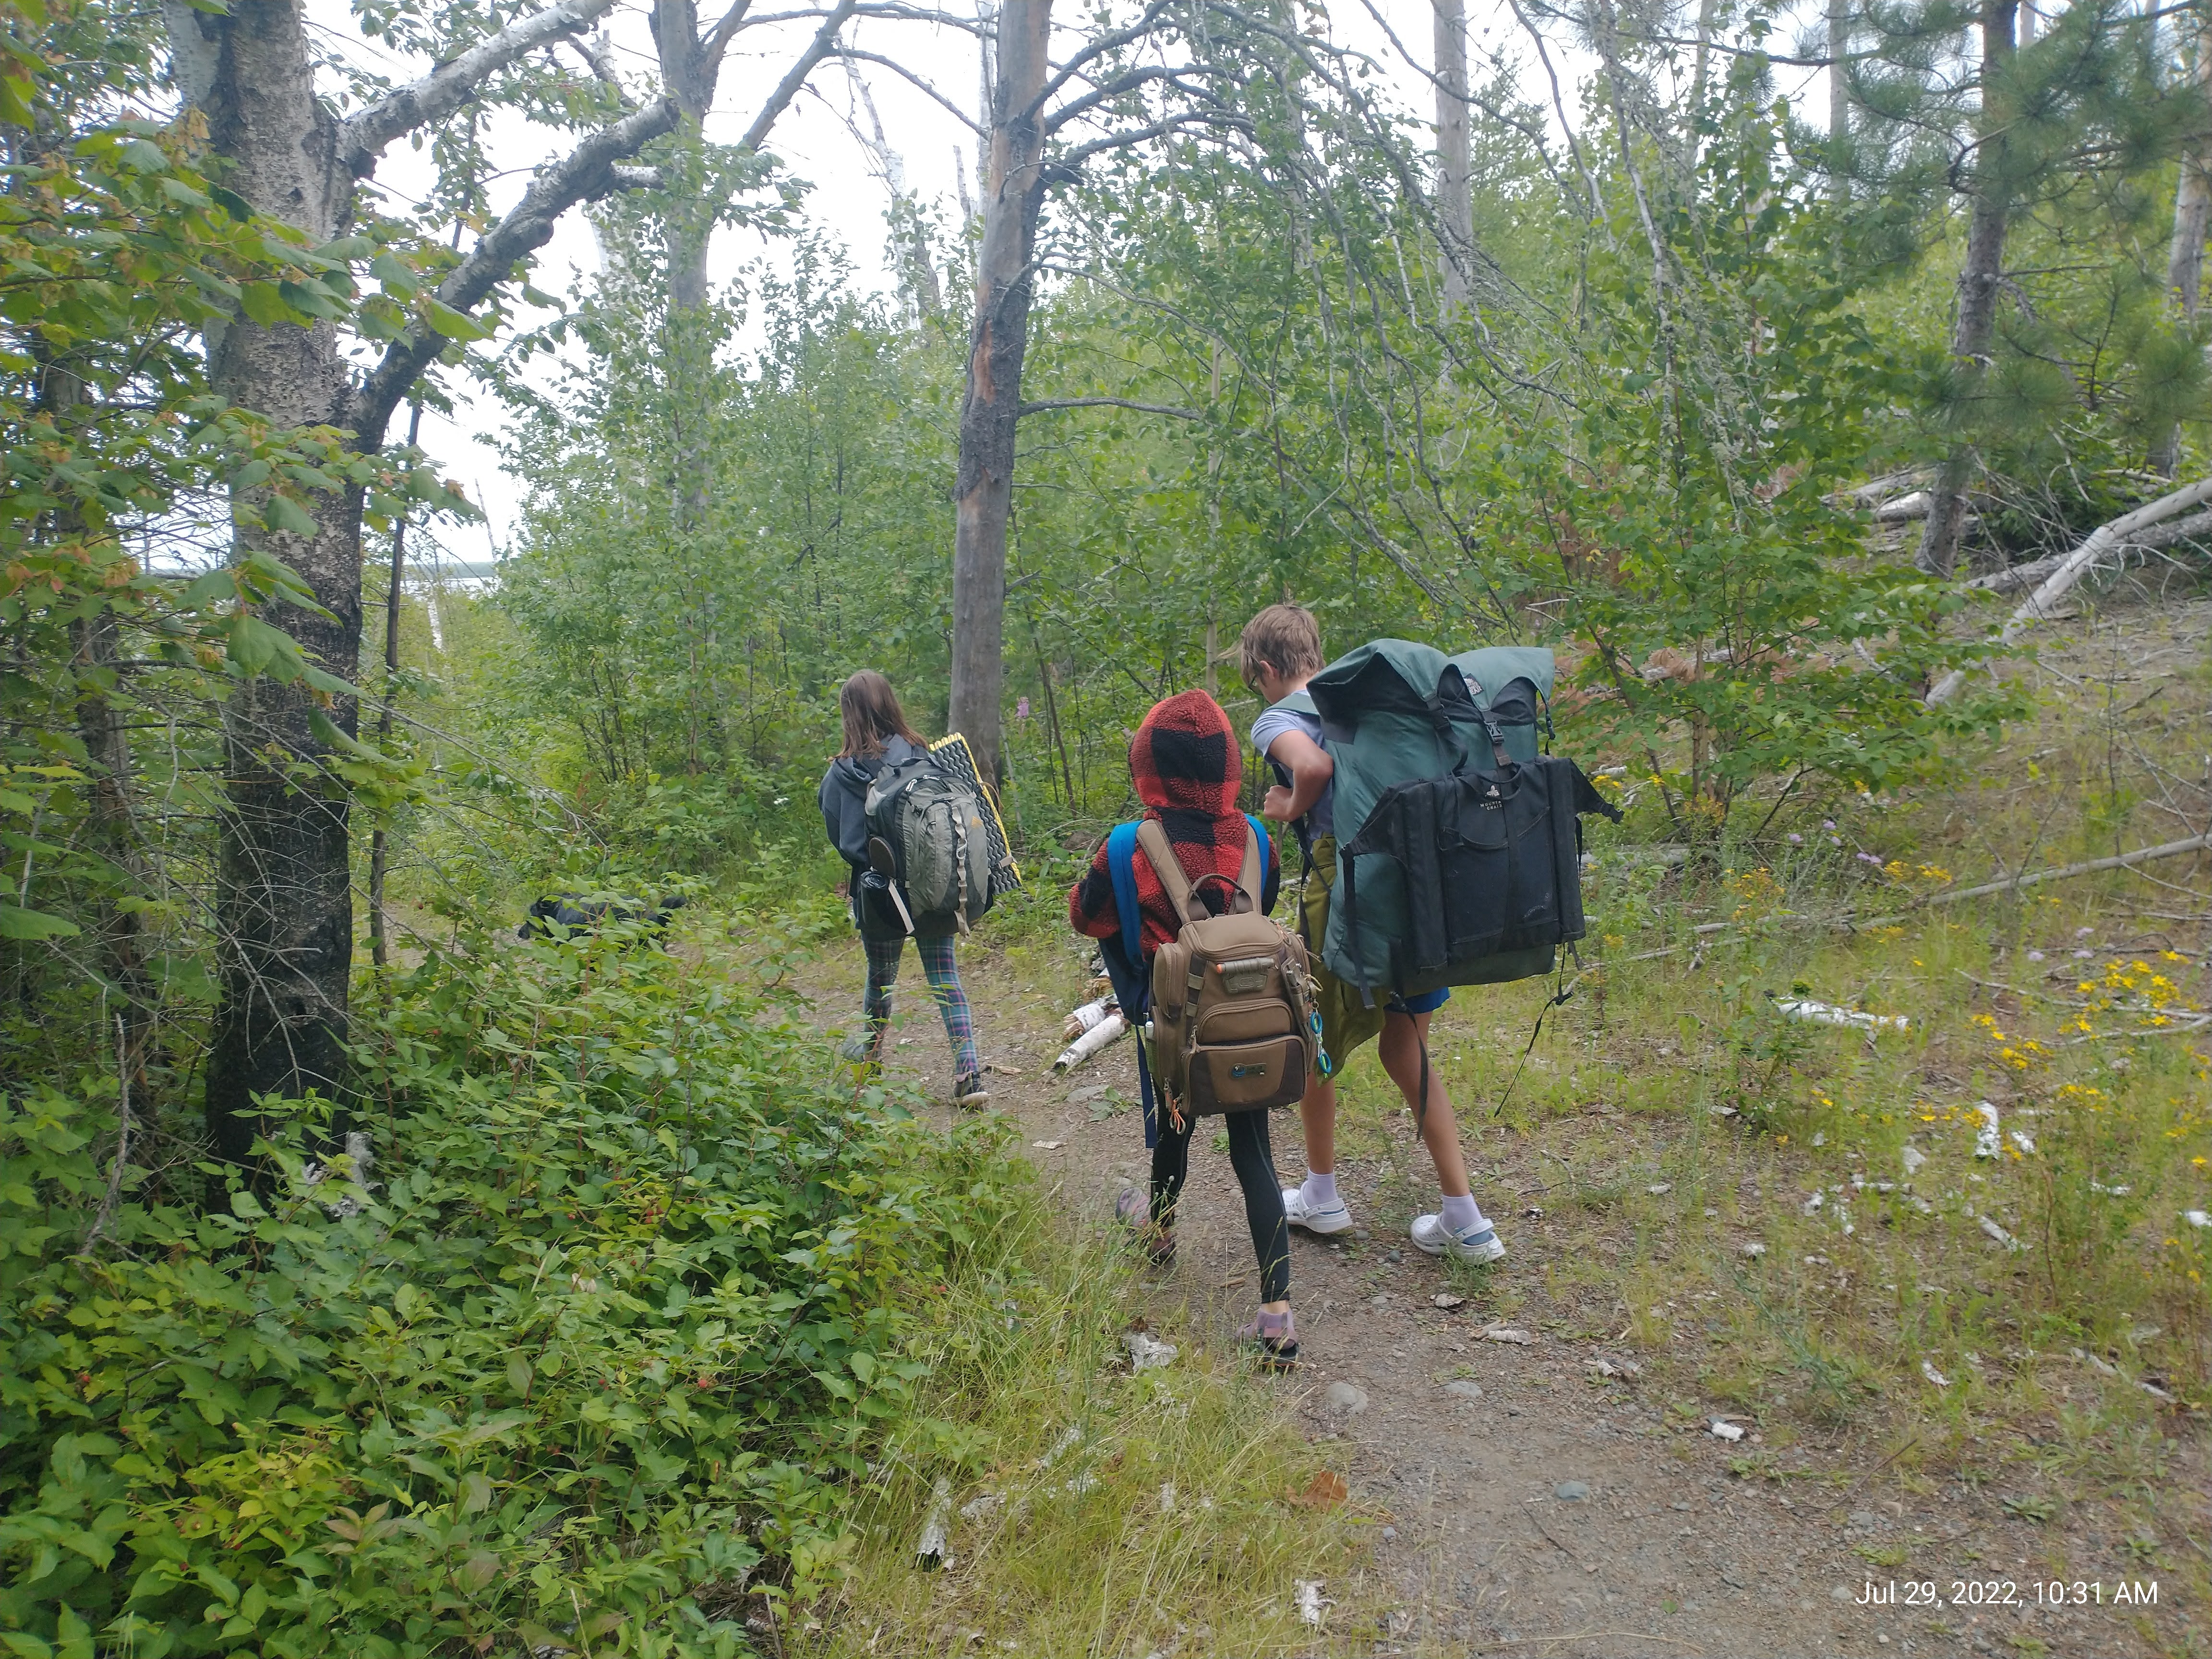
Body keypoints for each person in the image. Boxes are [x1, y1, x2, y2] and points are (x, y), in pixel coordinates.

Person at [1240, 602, 1506, 1265]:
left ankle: (1323, 1194)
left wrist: (1288, 804)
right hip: (1419, 885)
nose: (1261, 695)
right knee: (1406, 1047)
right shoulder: (1366, 706)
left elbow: (1315, 770)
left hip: (1350, 890)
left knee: (1312, 1032)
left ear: (1270, 669)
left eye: (1257, 681)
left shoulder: (1279, 716)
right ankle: (1466, 1221)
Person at [1069, 689, 1298, 1366]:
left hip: (1173, 1026)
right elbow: (1262, 908)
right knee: (1254, 1153)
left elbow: (1090, 918)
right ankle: (1276, 1315)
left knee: (1173, 1131)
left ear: (1148, 764)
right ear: (1228, 763)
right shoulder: (1254, 838)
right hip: (1253, 1022)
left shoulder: (1127, 848)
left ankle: (1161, 1231)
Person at [818, 670, 988, 1108]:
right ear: (890, 704)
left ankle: (868, 1071)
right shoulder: (923, 754)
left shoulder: (842, 774)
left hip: (880, 898)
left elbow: (846, 842)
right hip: (935, 889)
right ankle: (969, 1073)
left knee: (881, 982)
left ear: (849, 713)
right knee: (946, 979)